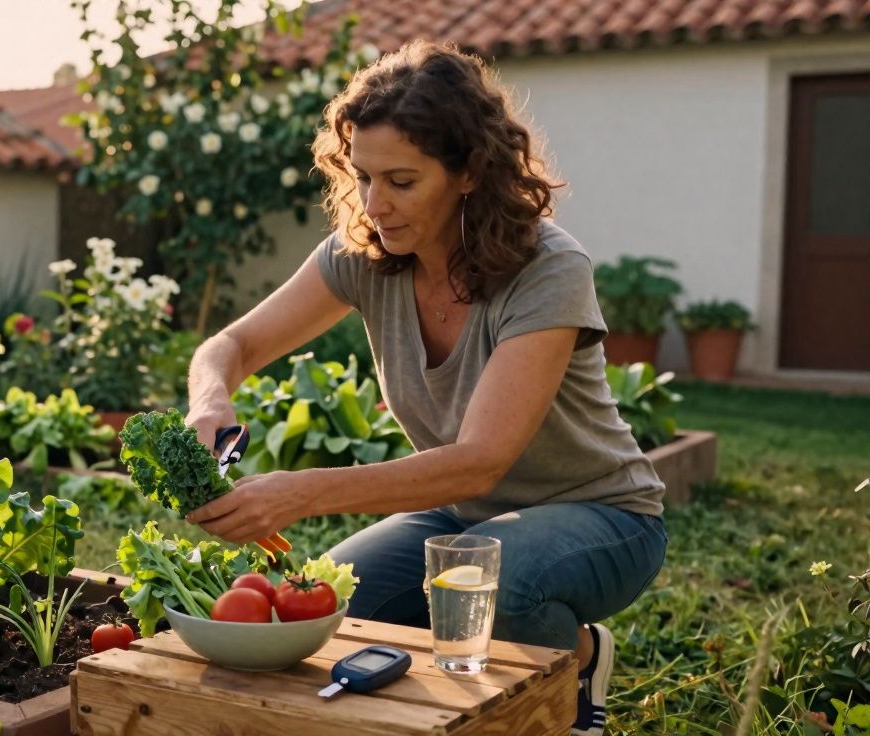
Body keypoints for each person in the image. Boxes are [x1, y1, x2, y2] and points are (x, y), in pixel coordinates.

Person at [182, 39, 667, 736]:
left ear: (469, 172)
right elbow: (229, 346)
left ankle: (578, 666)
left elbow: (482, 457)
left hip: (604, 516)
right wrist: (212, 400)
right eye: (363, 177)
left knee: (498, 584)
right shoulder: (365, 258)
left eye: (402, 182)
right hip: (463, 518)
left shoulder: (547, 268)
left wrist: (300, 492)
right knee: (326, 609)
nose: (375, 205)